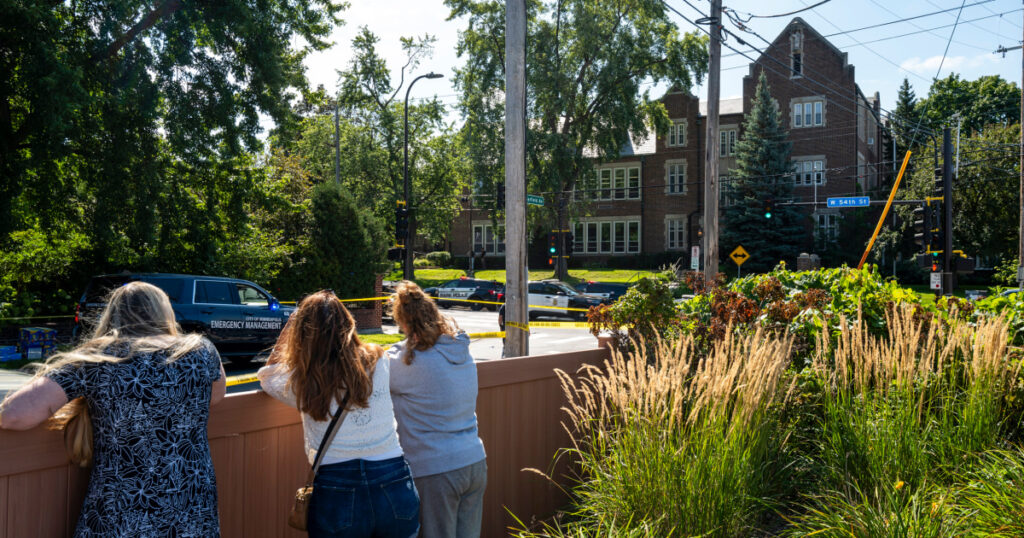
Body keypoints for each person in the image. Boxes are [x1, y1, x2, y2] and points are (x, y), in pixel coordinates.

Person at [0, 281, 227, 537]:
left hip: (122, 507)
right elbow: (215, 396)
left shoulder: (99, 358)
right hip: (192, 501)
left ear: (113, 314)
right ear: (165, 312)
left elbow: (13, 416)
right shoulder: (201, 350)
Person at [258, 290, 419, 538]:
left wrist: (291, 325)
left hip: (336, 482)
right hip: (393, 475)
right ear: (348, 322)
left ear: (303, 332)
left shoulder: (302, 380)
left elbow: (268, 374)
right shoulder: (378, 360)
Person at [388, 281, 487, 538]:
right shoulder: (461, 352)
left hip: (436, 469)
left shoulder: (407, 362)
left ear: (405, 323)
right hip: (474, 462)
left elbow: (368, 371)